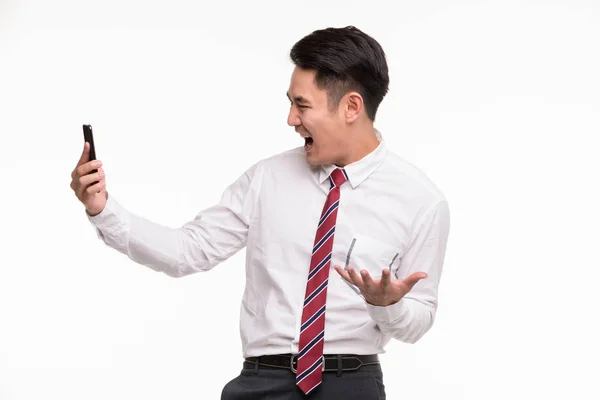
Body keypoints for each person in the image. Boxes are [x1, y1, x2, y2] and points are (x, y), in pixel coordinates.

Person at [70, 25, 450, 399]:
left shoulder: (420, 201)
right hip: (261, 383)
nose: (290, 119)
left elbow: (418, 321)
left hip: (351, 385)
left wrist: (389, 305)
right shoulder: (267, 179)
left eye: (302, 105)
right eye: (290, 102)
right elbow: (187, 251)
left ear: (352, 106)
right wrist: (103, 209)